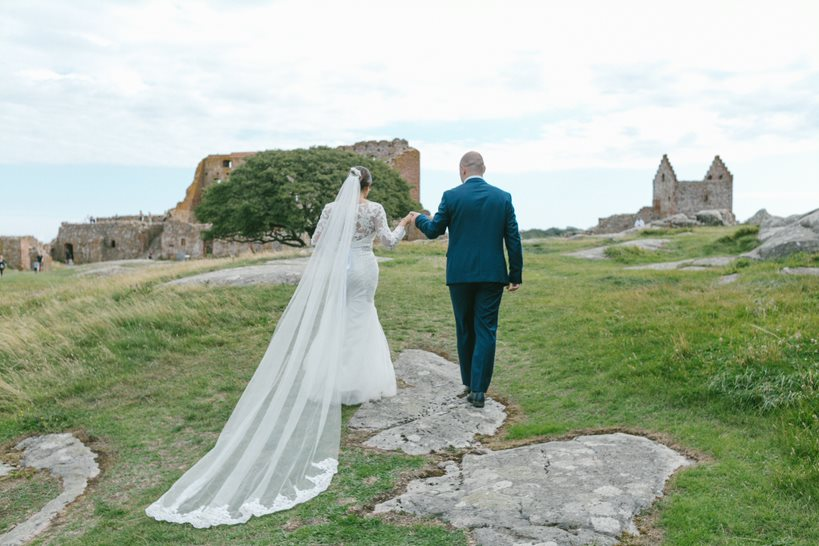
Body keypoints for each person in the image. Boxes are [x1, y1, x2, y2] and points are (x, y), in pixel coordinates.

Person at [146, 166, 413, 528]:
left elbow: (318, 241)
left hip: (339, 270)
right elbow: (391, 243)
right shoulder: (376, 209)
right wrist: (406, 221)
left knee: (337, 323)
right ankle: (358, 382)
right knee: (361, 318)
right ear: (369, 186)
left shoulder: (332, 210)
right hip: (364, 267)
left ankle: (333, 380)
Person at [412, 152, 523, 409]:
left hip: (460, 275)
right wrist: (515, 274)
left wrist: (418, 217)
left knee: (464, 327)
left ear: (462, 169)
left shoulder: (451, 196)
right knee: (486, 329)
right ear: (484, 169)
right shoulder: (503, 197)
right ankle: (479, 390)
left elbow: (433, 231)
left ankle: (467, 382)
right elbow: (513, 238)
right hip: (493, 274)